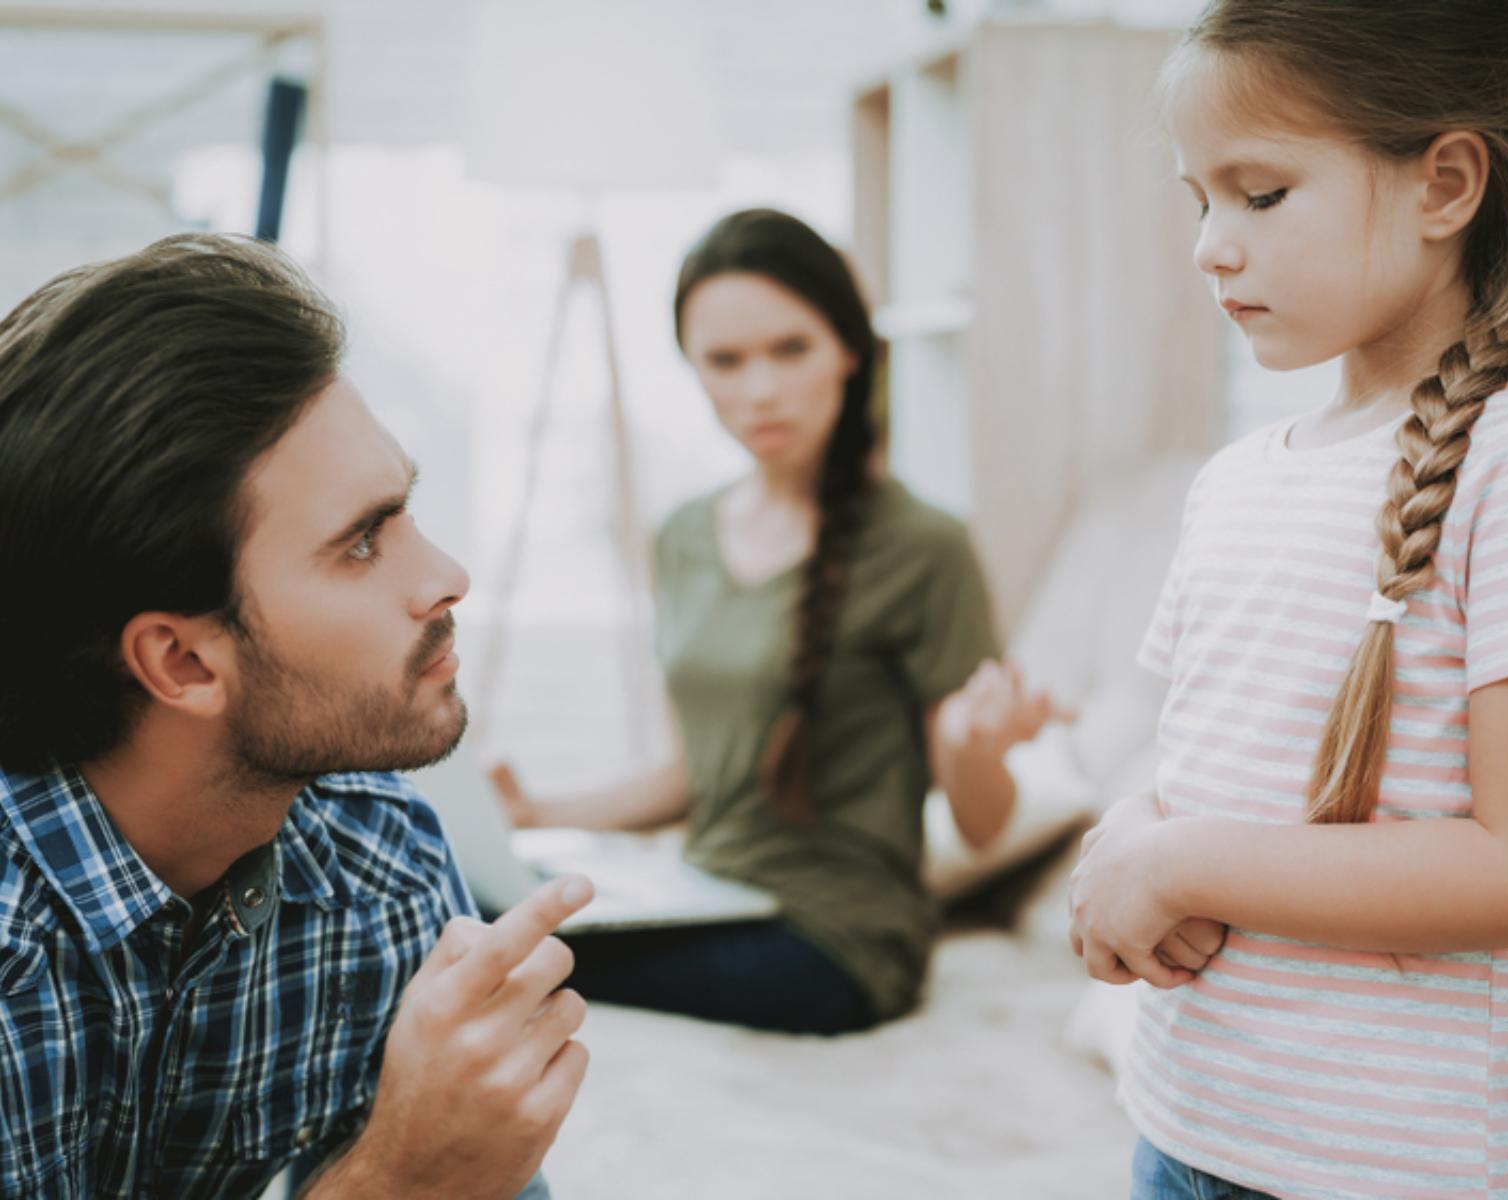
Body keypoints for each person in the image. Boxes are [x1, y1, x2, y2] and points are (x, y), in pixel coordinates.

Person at [1066, 3, 1508, 1198]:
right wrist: (1128, 840)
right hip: (1187, 1122)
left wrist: (1186, 859)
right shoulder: (1234, 481)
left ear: (1444, 184)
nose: (1211, 243)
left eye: (1259, 195)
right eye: (1197, 199)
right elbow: (1203, 764)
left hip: (1395, 1170)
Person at [0, 234, 590, 1199]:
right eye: (361, 543)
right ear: (183, 661)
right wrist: (396, 1178)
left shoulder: (381, 861)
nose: (447, 576)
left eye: (403, 514)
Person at [492, 207, 1065, 1034]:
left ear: (848, 350)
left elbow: (981, 825)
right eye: (725, 360)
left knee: (500, 951)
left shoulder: (924, 546)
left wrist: (977, 747)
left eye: (790, 349)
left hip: (840, 941)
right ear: (693, 370)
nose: (759, 389)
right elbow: (694, 778)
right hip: (703, 897)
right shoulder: (684, 536)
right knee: (467, 906)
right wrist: (536, 814)